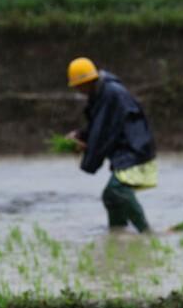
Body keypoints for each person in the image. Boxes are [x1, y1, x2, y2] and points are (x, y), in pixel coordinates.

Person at [64, 57, 158, 233]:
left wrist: (87, 149)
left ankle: (146, 232)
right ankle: (118, 233)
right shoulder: (100, 94)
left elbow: (103, 133)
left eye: (78, 86)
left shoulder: (110, 94)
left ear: (86, 82)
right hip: (128, 150)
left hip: (135, 151)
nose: (77, 90)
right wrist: (80, 135)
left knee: (116, 191)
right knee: (111, 197)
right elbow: (98, 126)